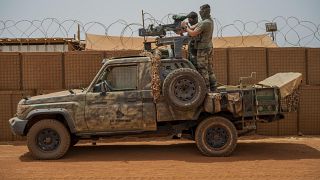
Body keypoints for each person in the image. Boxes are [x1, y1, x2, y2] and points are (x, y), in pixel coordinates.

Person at [183, 4, 216, 91]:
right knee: (209, 69)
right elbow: (194, 27)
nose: (200, 13)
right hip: (208, 47)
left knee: (203, 69)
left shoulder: (205, 23)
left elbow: (193, 33)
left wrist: (186, 27)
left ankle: (206, 89)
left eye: (201, 11)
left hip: (203, 49)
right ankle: (213, 87)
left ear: (204, 11)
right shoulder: (209, 21)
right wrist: (186, 27)